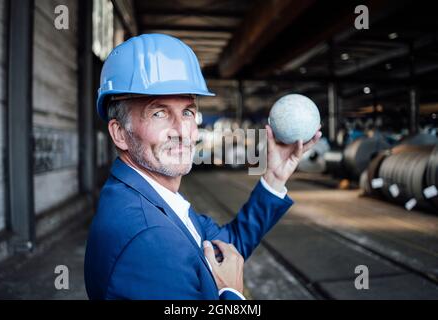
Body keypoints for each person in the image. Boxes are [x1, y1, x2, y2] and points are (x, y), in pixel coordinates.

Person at [84, 34, 322, 300]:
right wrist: (232, 295)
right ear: (119, 134)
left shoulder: (153, 198)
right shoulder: (149, 240)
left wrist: (274, 177)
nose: (182, 131)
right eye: (159, 112)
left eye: (187, 111)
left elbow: (224, 249)